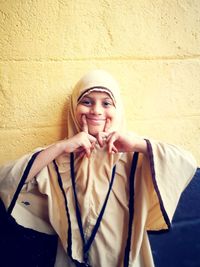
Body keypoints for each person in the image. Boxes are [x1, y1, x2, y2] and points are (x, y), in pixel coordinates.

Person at [0, 69, 197, 267]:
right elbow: (6, 181)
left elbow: (185, 162)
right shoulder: (59, 158)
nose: (96, 110)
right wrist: (61, 146)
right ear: (73, 106)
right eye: (86, 101)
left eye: (106, 103)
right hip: (72, 261)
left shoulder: (133, 156)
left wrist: (137, 144)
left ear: (117, 108)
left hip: (127, 260)